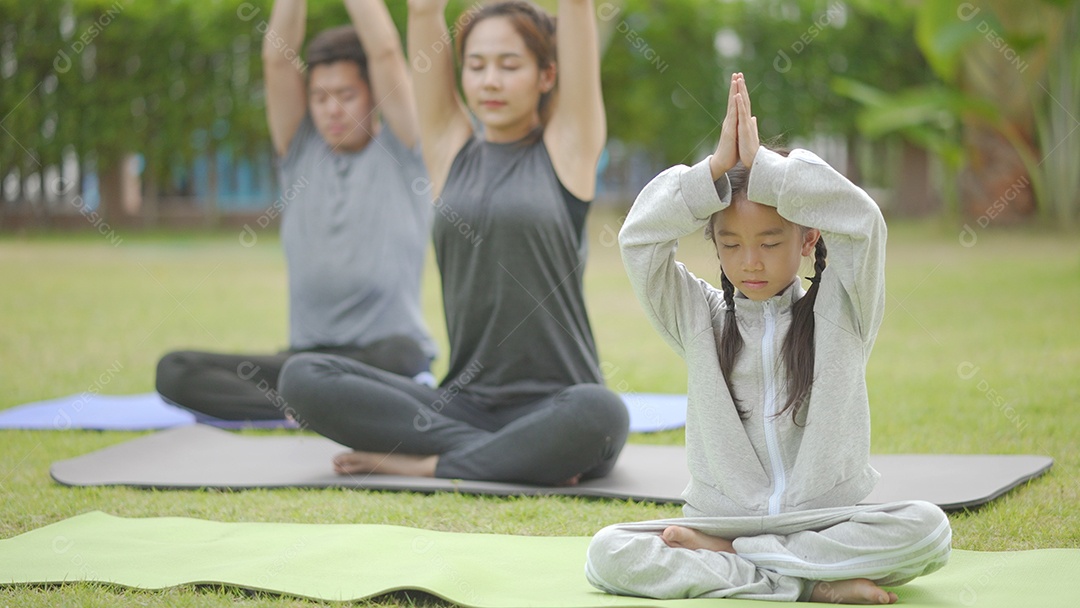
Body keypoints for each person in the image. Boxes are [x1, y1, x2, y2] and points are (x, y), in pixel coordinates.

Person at [584, 74, 951, 603]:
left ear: (808, 238)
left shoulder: (842, 310)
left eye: (770, 241)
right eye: (730, 244)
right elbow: (639, 238)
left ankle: (743, 565)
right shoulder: (700, 319)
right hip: (724, 520)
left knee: (929, 528)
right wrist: (712, 171)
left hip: (823, 523)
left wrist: (769, 172)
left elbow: (863, 221)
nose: (749, 262)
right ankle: (808, 581)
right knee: (608, 551)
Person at [277, 0, 629, 485]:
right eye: (476, 65)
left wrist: (424, 464)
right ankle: (520, 457)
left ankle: (434, 463)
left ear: (547, 75)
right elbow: (423, 13)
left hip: (560, 403)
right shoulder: (447, 150)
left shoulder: (569, 148)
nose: (490, 81)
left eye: (509, 66)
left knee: (602, 412)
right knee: (302, 378)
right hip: (463, 406)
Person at [155, 0, 436, 422]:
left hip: (385, 357)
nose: (332, 110)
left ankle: (316, 405)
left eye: (346, 95)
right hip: (305, 363)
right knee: (174, 371)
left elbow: (385, 53)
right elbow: (277, 61)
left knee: (403, 356)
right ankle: (300, 410)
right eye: (320, 98)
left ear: (376, 95)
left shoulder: (405, 151)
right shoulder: (300, 150)